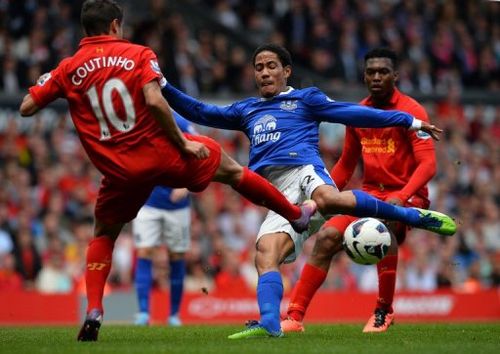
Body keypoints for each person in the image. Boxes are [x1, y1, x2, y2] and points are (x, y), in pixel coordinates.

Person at [19, 1, 318, 341]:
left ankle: (95, 309)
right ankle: (295, 215)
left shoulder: (67, 68)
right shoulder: (137, 54)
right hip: (160, 153)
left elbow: (27, 108)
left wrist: (47, 79)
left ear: (85, 28)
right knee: (232, 171)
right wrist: (183, 142)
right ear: (116, 25)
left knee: (103, 234)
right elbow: (155, 99)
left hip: (119, 172)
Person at [161, 43, 456, 339]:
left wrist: (408, 120)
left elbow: (354, 113)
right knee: (266, 254)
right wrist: (163, 85)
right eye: (259, 67)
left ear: (286, 71)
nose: (265, 72)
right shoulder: (245, 110)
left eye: (271, 66)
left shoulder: (307, 99)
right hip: (277, 194)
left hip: (305, 171)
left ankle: (409, 216)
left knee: (326, 198)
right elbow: (199, 110)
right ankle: (270, 322)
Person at [280, 47, 439, 333]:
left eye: (383, 72)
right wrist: (322, 194)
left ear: (396, 76)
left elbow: (427, 166)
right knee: (327, 237)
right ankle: (294, 316)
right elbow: (345, 165)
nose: (376, 77)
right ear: (364, 76)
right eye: (371, 72)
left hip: (408, 195)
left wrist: (401, 197)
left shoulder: (412, 111)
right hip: (370, 193)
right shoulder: (358, 113)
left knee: (385, 221)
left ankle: (383, 311)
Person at [132, 112, 194, 327]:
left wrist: (187, 185)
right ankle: (143, 313)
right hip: (147, 202)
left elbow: (199, 153)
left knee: (176, 255)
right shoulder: (139, 119)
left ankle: (174, 315)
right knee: (144, 250)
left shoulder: (181, 121)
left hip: (177, 206)